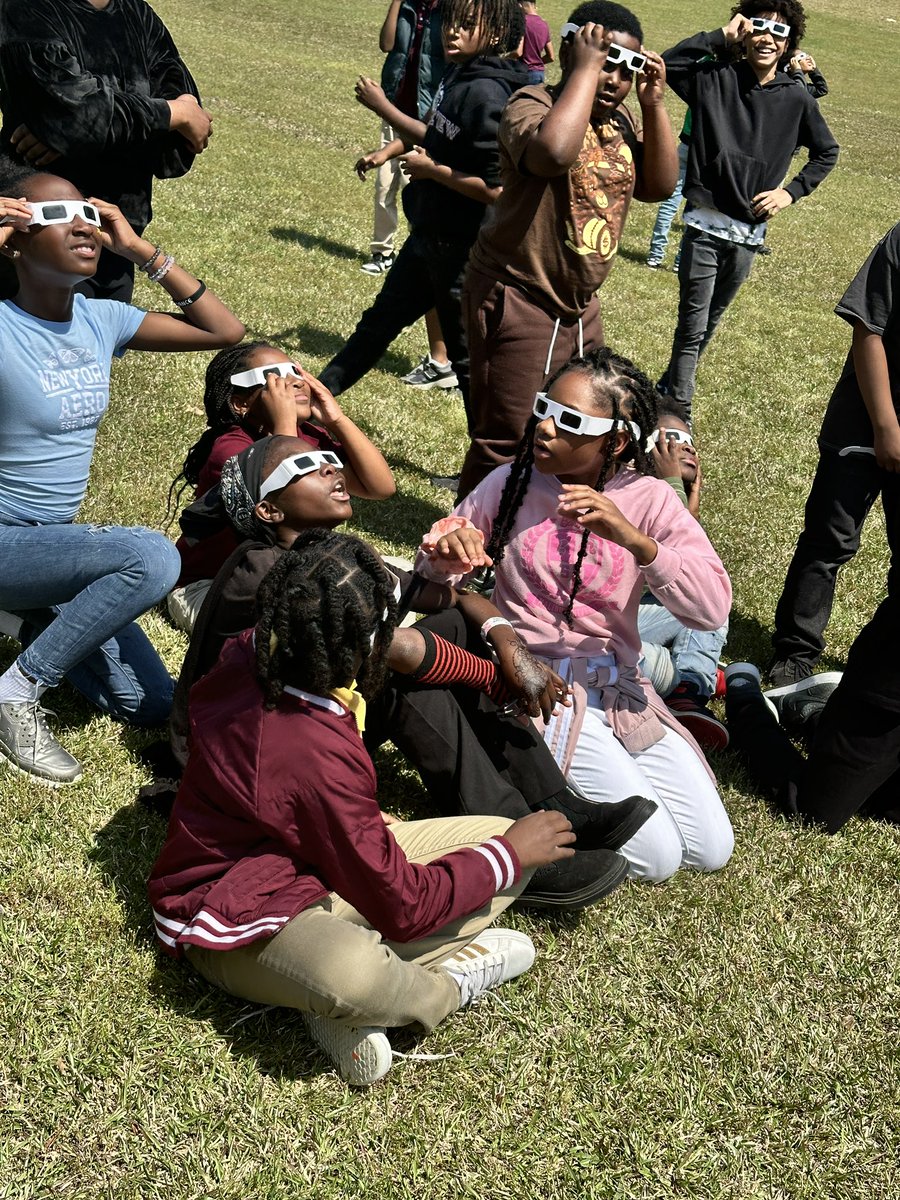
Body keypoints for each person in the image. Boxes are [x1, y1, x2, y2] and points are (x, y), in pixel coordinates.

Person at [148, 530, 583, 1086]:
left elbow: (280, 795)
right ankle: (438, 987)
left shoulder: (254, 651)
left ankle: (322, 991)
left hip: (300, 853)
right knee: (357, 971)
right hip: (227, 911)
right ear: (367, 643)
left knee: (495, 831)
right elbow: (405, 907)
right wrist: (508, 855)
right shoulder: (311, 749)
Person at [168, 436, 651, 909]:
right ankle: (508, 834)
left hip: (307, 718)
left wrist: (508, 643)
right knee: (401, 677)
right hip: (250, 752)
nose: (332, 470)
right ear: (268, 511)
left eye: (329, 459)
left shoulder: (329, 553)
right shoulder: (262, 573)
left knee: (459, 631)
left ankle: (554, 801)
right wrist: (488, 675)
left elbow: (456, 600)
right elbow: (391, 649)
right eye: (305, 468)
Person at [417, 348, 735, 883]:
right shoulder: (507, 484)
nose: (544, 426)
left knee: (710, 850)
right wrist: (448, 553)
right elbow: (433, 581)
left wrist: (637, 542)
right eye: (544, 407)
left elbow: (709, 609)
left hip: (622, 690)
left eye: (569, 421)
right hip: (541, 690)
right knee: (654, 860)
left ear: (615, 440)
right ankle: (520, 776)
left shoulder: (650, 500)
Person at [0, 161, 244, 785]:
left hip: (50, 543)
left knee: (150, 702)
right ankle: (17, 690)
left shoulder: (100, 319)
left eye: (88, 212)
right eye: (59, 215)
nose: (83, 223)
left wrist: (140, 250)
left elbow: (224, 331)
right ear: (18, 235)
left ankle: (16, 613)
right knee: (152, 557)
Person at [455, 1, 679, 499]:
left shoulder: (620, 118)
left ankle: (531, 530)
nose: (614, 77)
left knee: (575, 427)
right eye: (605, 60)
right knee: (509, 437)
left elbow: (660, 186)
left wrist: (653, 103)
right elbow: (552, 155)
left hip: (578, 304)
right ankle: (468, 546)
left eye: (628, 67)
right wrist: (585, 70)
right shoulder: (530, 103)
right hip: (517, 293)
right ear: (571, 53)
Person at [319, 0, 528, 412]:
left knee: (467, 364)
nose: (453, 32)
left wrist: (431, 169)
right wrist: (390, 151)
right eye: (451, 22)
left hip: (462, 254)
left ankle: (487, 465)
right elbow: (436, 131)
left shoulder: (488, 95)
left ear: (498, 34)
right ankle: (315, 401)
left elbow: (497, 191)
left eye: (468, 24)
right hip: (427, 239)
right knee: (375, 326)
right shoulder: (461, 73)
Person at [656, 2, 839, 420]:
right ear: (745, 31)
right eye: (758, 27)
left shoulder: (796, 97)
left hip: (749, 237)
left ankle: (669, 387)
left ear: (789, 42)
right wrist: (721, 35)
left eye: (778, 32)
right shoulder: (715, 79)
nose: (767, 38)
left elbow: (826, 151)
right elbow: (668, 65)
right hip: (704, 226)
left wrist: (790, 193)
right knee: (691, 325)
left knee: (709, 323)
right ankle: (677, 411)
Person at [168, 342, 394, 632]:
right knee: (312, 627)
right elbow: (288, 504)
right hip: (213, 588)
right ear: (241, 402)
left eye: (295, 371)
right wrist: (285, 423)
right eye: (276, 377)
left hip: (287, 571)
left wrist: (336, 419)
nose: (296, 382)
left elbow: (380, 487)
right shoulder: (232, 451)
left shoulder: (307, 436)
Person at [0, 0, 213, 302]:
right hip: (43, 230)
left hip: (119, 230)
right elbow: (80, 117)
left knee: (99, 343)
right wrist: (170, 115)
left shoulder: (138, 13)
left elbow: (183, 141)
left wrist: (74, 132)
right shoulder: (26, 8)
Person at [769, 223, 900, 691]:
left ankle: (880, 666)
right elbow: (869, 328)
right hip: (862, 428)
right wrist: (885, 426)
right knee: (829, 542)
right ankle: (796, 652)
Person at [725, 595, 900, 834]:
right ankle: (747, 700)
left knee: (887, 806)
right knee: (813, 813)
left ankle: (815, 711)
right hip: (887, 688)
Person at [638, 399, 729, 749]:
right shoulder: (631, 492)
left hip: (630, 619)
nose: (687, 446)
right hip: (593, 630)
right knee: (706, 609)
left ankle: (687, 685)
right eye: (672, 438)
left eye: (690, 440)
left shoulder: (664, 497)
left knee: (707, 607)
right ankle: (688, 685)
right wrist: (673, 488)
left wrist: (687, 510)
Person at [519, 0, 554, 85]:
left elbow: (518, 52)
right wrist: (536, 63)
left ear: (520, 5)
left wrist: (504, 60)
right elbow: (551, 57)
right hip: (539, 74)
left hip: (525, 74)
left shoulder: (523, 22)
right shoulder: (544, 24)